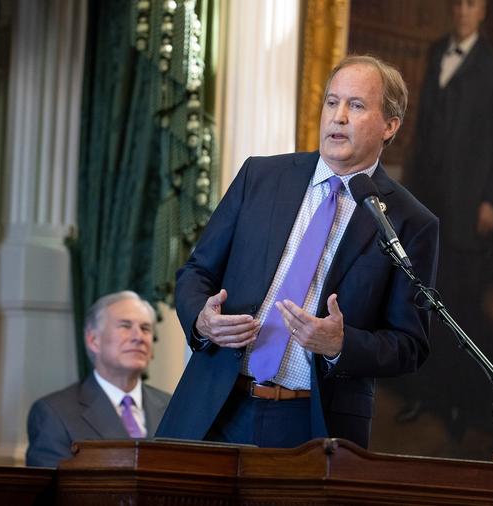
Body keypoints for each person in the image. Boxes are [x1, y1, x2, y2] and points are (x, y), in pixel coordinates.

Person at [155, 55, 439, 449]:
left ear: (390, 125)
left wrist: (341, 344)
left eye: (356, 105)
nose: (338, 117)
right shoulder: (261, 177)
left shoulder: (410, 222)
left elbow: (409, 345)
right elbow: (196, 272)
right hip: (217, 405)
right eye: (332, 101)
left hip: (310, 423)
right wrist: (202, 321)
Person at [398, 0, 493, 442]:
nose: (464, 11)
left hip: (470, 210)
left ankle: (458, 405)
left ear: (483, 10)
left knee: (462, 312)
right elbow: (426, 131)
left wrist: (492, 201)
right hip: (430, 203)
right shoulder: (435, 53)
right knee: (422, 302)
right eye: (458, 2)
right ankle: (424, 395)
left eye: (472, 3)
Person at [26, 290, 171, 467]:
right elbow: (57, 491)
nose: (138, 337)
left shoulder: (174, 407)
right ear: (94, 340)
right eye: (125, 326)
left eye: (145, 328)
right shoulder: (54, 413)